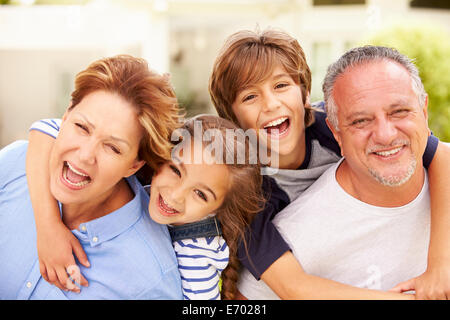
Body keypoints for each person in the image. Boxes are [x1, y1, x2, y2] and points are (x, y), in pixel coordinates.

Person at [209, 29, 450, 299]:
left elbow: (440, 155)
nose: (271, 104)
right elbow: (293, 287)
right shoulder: (245, 195)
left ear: (304, 94)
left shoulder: (339, 123)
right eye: (249, 97)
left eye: (280, 86)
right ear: (232, 120)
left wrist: (440, 265)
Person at [0, 55, 183, 299]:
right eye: (82, 127)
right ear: (65, 116)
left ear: (134, 165)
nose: (86, 156)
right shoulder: (13, 166)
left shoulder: (149, 281)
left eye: (113, 148)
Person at [29, 114, 265, 300]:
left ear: (218, 209)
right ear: (162, 156)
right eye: (175, 170)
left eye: (201, 194)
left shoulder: (196, 256)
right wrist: (48, 225)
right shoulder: (134, 168)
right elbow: (46, 129)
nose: (175, 195)